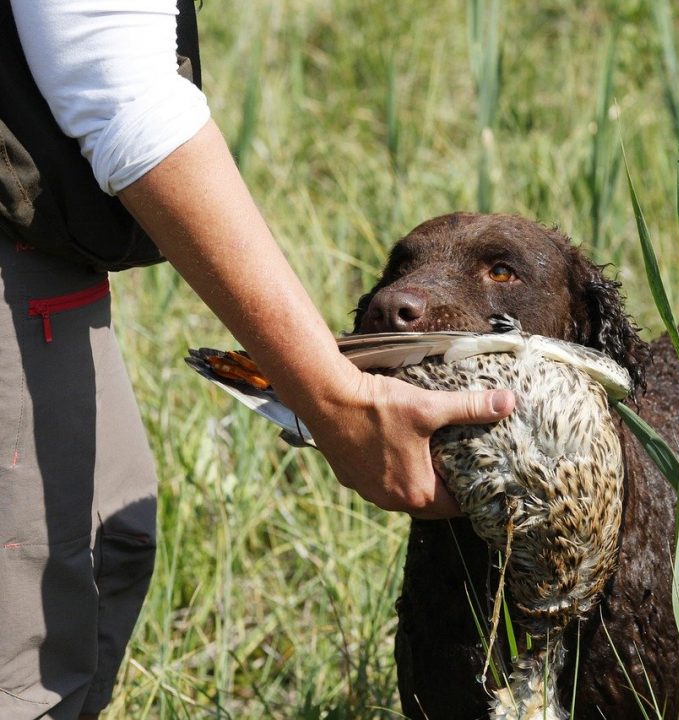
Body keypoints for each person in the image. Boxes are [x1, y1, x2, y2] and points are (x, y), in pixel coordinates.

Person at [0, 2, 515, 718]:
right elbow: (121, 91)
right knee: (23, 641)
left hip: (43, 238)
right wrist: (337, 400)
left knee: (105, 548)